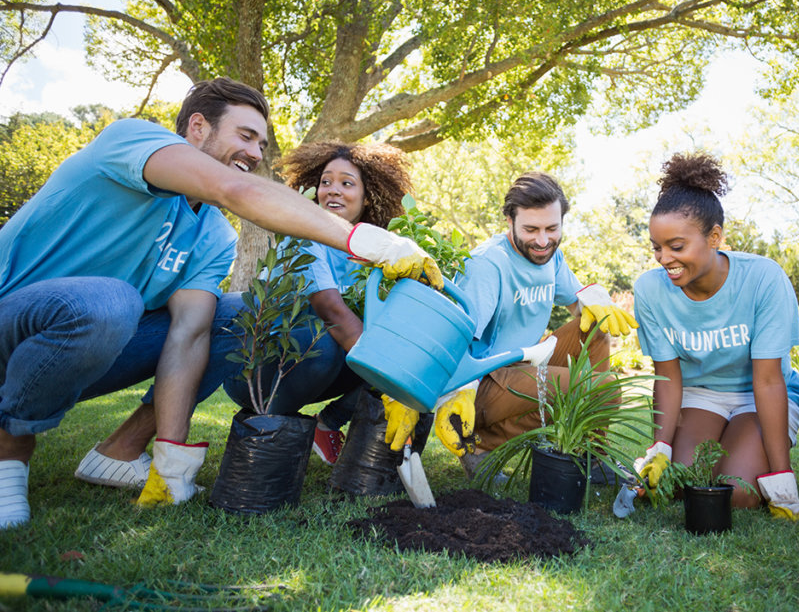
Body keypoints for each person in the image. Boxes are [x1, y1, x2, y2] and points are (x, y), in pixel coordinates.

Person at [0, 77, 441, 529]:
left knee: (231, 314)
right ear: (197, 126)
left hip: (88, 344)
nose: (255, 153)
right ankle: (9, 450)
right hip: (13, 325)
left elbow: (189, 337)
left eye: (262, 144)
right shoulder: (131, 140)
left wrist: (172, 459)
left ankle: (121, 451)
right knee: (113, 300)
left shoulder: (212, 235)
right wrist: (365, 241)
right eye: (245, 136)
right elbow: (236, 191)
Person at [383, 171, 638, 478]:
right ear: (509, 220)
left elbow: (578, 304)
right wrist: (451, 394)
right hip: (481, 381)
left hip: (523, 366)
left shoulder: (549, 257)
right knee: (604, 389)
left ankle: (586, 454)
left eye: (552, 229)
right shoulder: (489, 265)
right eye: (531, 229)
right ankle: (480, 444)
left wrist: (597, 300)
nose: (543, 241)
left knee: (595, 327)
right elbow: (456, 339)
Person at [631, 153, 799, 522]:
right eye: (656, 247)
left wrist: (783, 486)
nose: (664, 258)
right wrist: (660, 448)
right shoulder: (650, 290)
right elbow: (667, 376)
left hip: (758, 396)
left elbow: (769, 380)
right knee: (680, 483)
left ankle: (759, 465)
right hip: (701, 395)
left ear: (714, 237)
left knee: (739, 494)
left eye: (676, 247)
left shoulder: (763, 279)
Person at [222, 141, 412, 465]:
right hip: (260, 369)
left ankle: (327, 425)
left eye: (346, 183)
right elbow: (332, 312)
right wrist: (394, 383)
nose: (332, 191)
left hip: (318, 365)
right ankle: (273, 426)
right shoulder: (302, 234)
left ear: (368, 197)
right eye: (325, 182)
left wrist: (407, 375)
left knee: (390, 344)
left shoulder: (369, 250)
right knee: (332, 340)